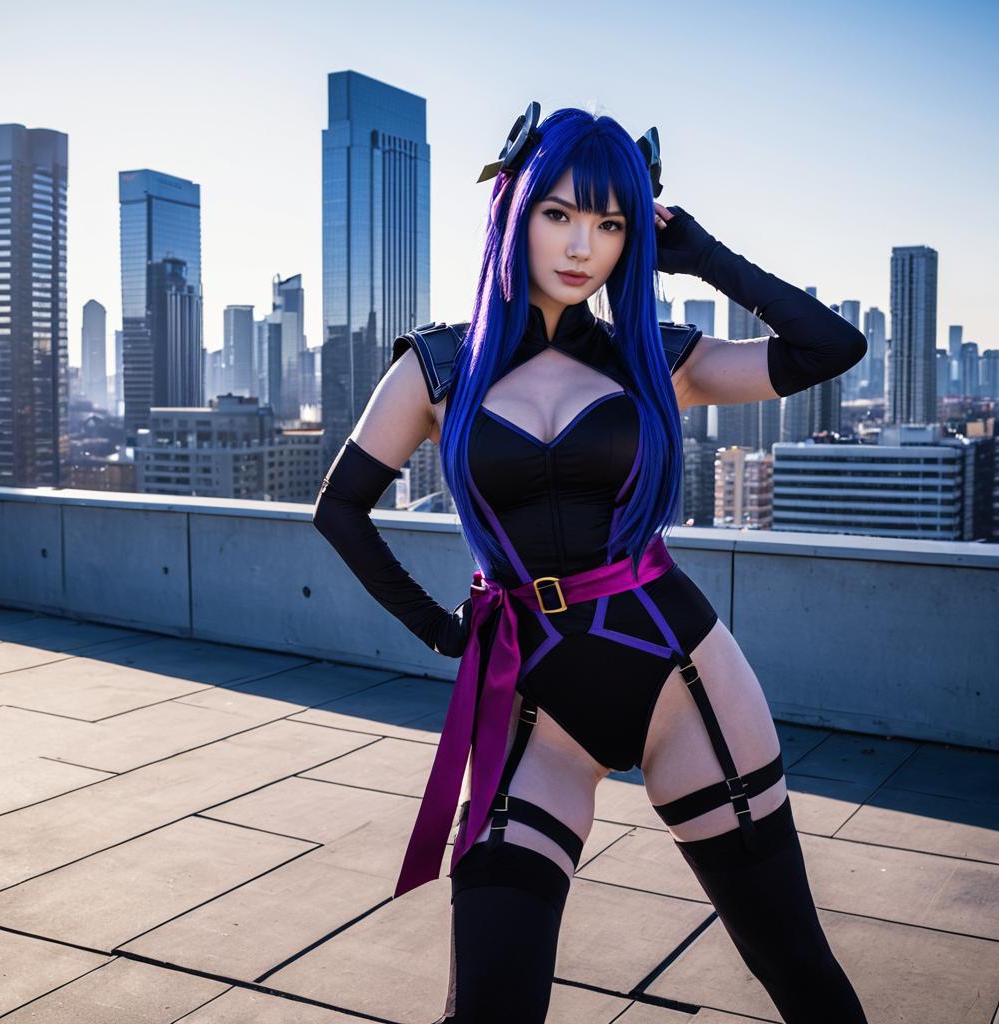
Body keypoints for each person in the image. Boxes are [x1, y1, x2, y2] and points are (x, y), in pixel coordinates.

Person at [312, 104, 868, 1024]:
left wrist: (696, 251)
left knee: (800, 975)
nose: (583, 247)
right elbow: (340, 510)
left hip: (684, 681)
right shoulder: (437, 368)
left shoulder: (658, 359)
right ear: (515, 211)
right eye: (559, 214)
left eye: (611, 224)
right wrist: (443, 632)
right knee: (489, 1004)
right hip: (530, 698)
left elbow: (828, 347)